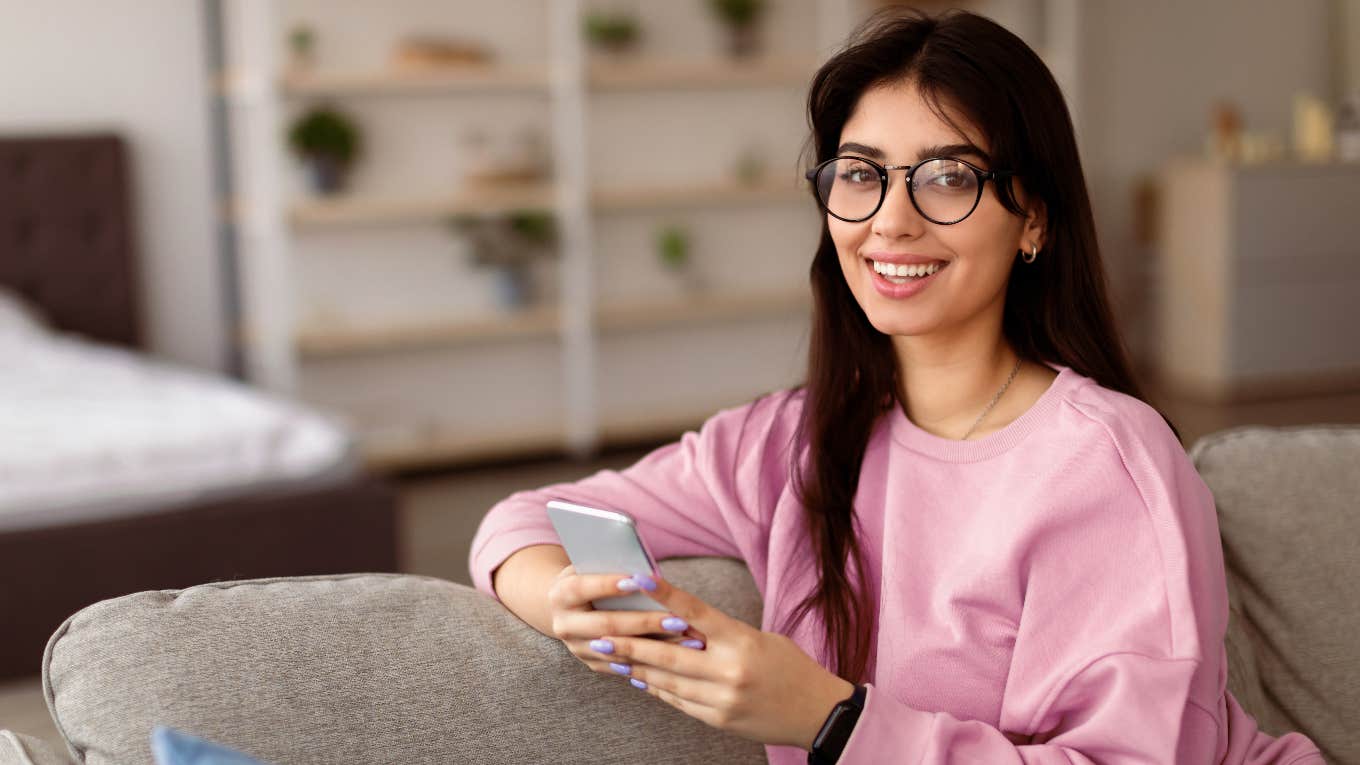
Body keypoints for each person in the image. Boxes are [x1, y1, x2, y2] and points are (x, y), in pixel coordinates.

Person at [468, 9, 1327, 764]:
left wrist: (830, 719)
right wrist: (573, 608)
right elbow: (520, 522)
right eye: (860, 173)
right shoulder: (789, 441)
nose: (889, 219)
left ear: (1035, 217)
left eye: (949, 177)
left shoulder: (1108, 461)